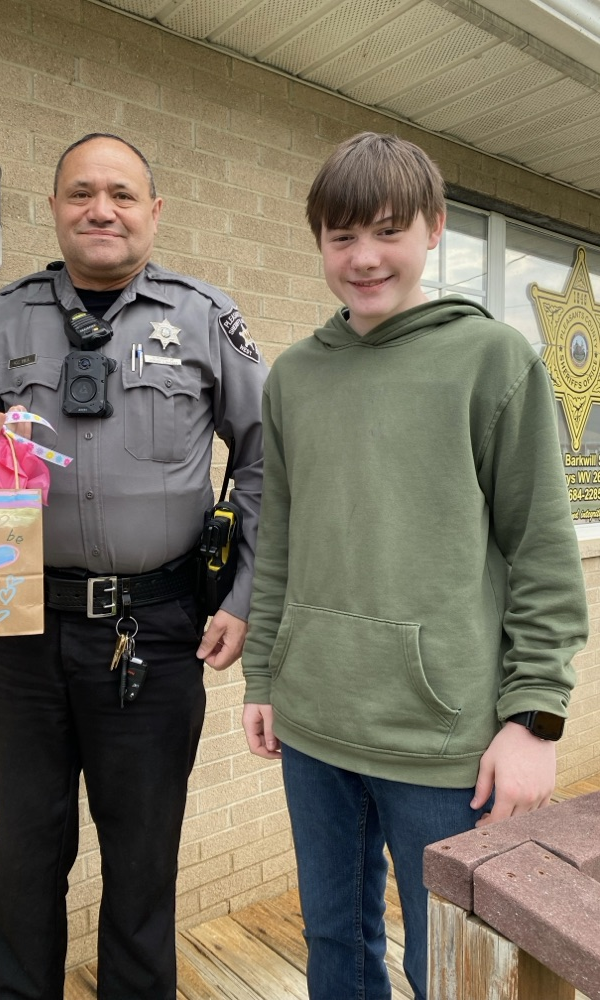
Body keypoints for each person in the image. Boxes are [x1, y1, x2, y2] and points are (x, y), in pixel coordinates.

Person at [240, 131, 588, 1000]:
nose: (363, 258)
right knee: (334, 946)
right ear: (318, 241)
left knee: (448, 962)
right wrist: (262, 676)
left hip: (443, 742)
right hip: (315, 726)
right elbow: (279, 542)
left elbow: (542, 552)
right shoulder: (292, 378)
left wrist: (535, 719)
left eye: (388, 231)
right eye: (341, 237)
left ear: (434, 229)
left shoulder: (493, 360)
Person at [0, 133, 267, 1000]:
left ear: (153, 212)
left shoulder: (202, 316)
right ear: (53, 209)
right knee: (27, 852)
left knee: (142, 855)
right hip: (26, 633)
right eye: (81, 193)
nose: (101, 209)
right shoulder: (5, 317)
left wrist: (245, 589)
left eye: (122, 194)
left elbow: (273, 452)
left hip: (153, 631)